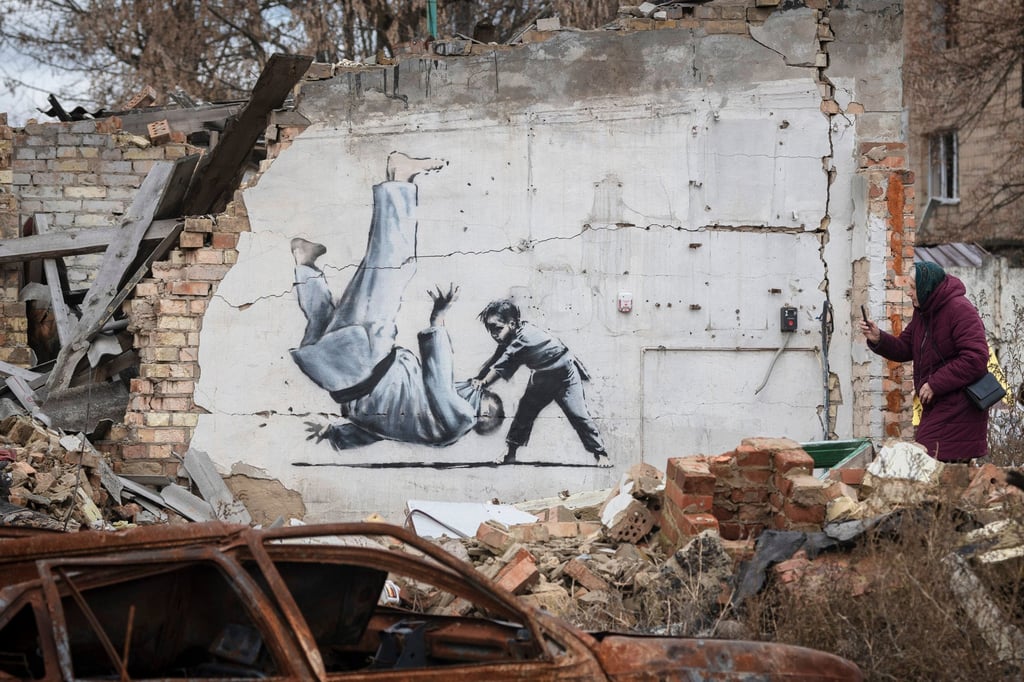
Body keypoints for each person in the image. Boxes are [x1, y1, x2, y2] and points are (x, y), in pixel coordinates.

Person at [291, 151, 503, 451]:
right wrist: (334, 434)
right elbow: (377, 430)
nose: (473, 385)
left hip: (369, 361)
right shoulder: (426, 427)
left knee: (394, 266)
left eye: (480, 392)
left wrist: (437, 322)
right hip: (330, 376)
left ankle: (399, 178)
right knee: (324, 320)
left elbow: (439, 382)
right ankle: (304, 262)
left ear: (482, 414)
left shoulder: (462, 418)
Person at [859, 261, 989, 462]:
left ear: (926, 287)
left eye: (912, 287)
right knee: (936, 466)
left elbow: (976, 358)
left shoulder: (960, 309)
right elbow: (904, 347)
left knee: (927, 460)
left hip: (961, 406)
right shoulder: (924, 312)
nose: (909, 293)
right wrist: (878, 338)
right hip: (940, 404)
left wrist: (935, 383)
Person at [472, 299, 611, 467]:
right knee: (524, 414)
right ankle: (511, 451)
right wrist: (479, 377)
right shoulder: (513, 336)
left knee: (579, 415)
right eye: (491, 330)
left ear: (512, 323)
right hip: (543, 377)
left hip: (565, 375)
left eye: (498, 329)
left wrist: (484, 381)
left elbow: (502, 365)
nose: (494, 334)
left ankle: (600, 452)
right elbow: (495, 360)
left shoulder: (521, 339)